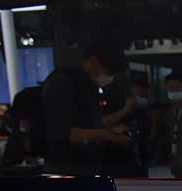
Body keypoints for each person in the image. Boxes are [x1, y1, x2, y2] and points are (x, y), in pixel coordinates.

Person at [41, 39, 130, 175]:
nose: (109, 78)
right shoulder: (61, 83)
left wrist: (110, 131)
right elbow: (63, 133)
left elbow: (88, 122)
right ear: (93, 62)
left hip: (87, 166)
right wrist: (108, 135)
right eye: (109, 73)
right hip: (65, 167)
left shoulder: (88, 85)